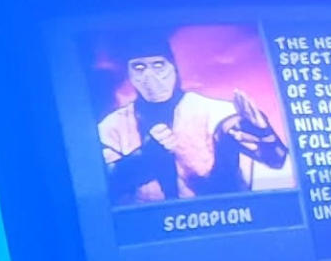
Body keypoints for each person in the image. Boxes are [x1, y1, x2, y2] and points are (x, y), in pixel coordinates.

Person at [99, 35, 293, 207]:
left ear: (173, 68)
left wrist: (263, 132)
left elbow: (276, 160)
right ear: (130, 74)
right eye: (139, 68)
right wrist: (145, 157)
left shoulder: (214, 111)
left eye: (158, 66)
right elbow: (103, 185)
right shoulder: (113, 126)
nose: (150, 77)